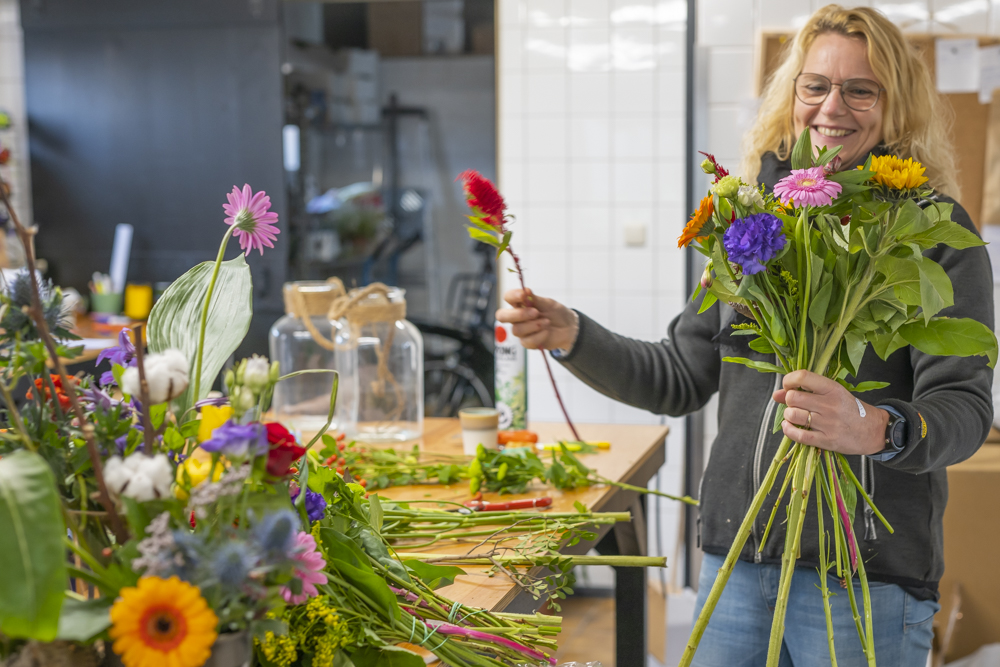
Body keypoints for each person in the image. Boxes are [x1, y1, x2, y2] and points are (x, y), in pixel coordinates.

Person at [496, 5, 993, 666]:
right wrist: (573, 335)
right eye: (814, 85)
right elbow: (679, 374)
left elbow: (964, 408)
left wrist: (874, 427)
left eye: (859, 89)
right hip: (735, 562)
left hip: (865, 578)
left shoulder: (931, 235)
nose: (830, 107)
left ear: (894, 106)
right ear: (792, 95)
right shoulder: (755, 221)